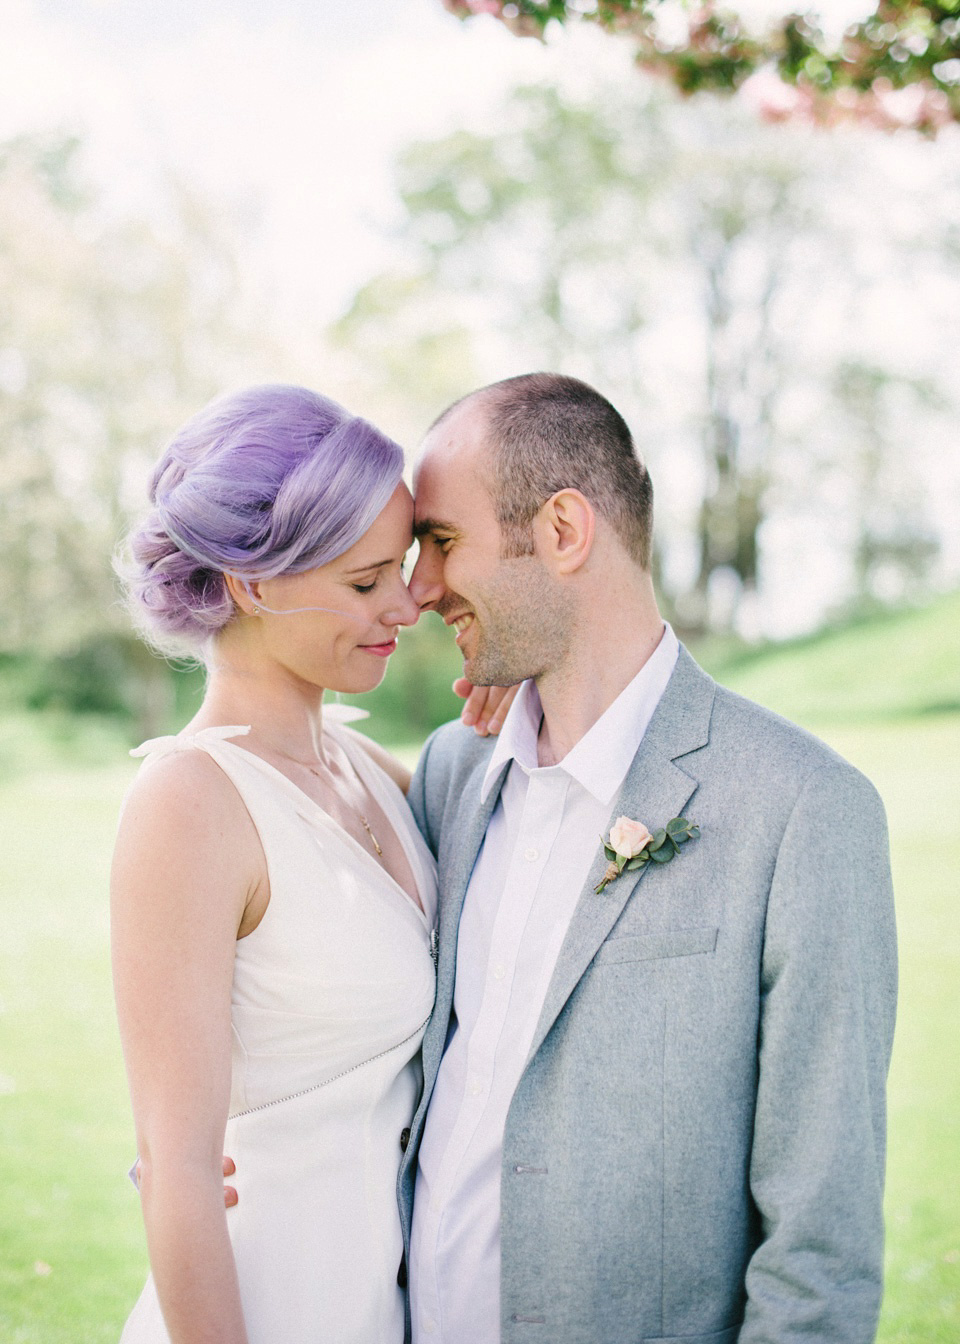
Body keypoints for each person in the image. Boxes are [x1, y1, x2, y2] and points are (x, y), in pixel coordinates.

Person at [399, 372, 898, 1344]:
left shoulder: (803, 812)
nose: (418, 587)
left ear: (562, 531)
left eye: (443, 543)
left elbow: (819, 1256)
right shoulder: (451, 775)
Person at [112, 383, 510, 1344]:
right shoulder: (190, 805)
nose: (409, 604)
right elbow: (177, 1176)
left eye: (407, 569)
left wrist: (519, 708)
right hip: (261, 1308)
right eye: (367, 581)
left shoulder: (373, 770)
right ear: (251, 585)